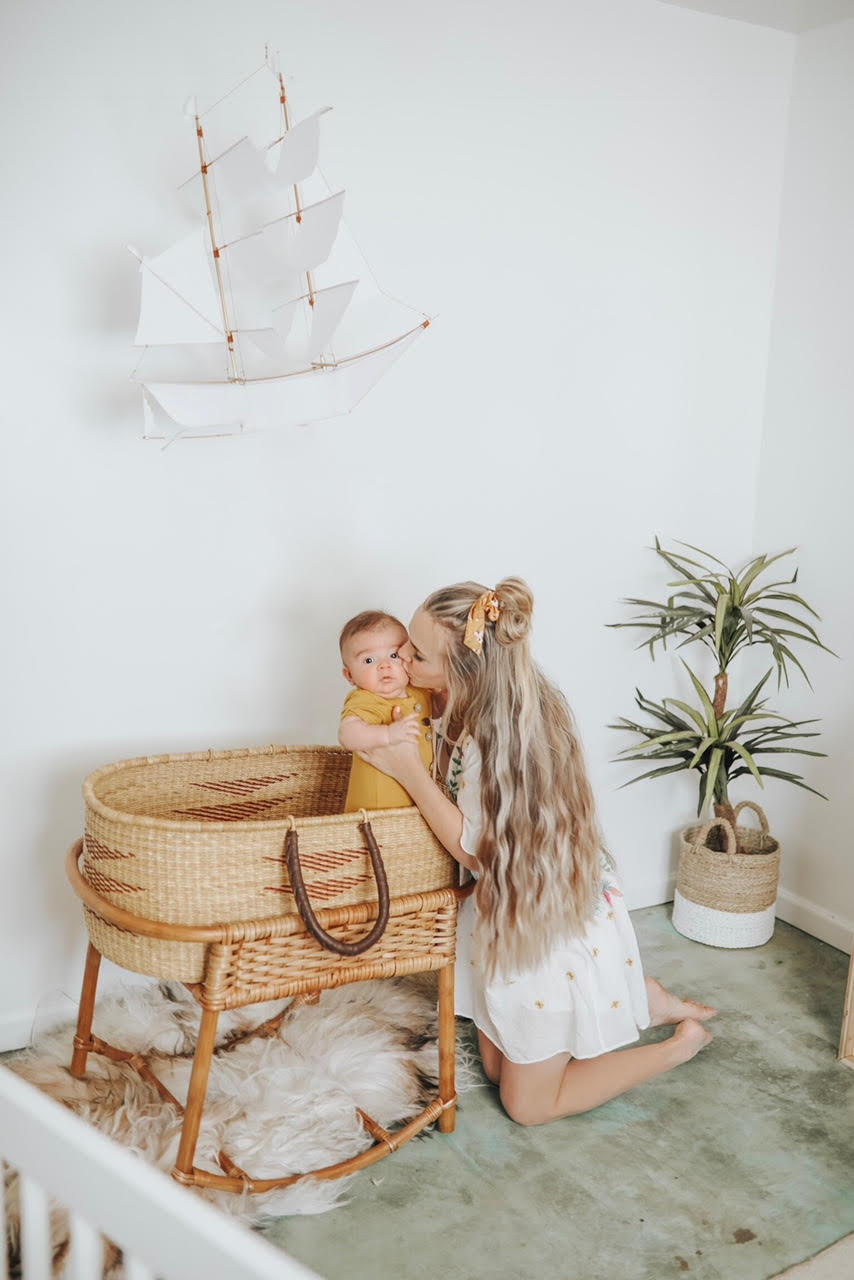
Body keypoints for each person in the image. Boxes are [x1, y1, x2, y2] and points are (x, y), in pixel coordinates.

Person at [355, 578, 716, 1126]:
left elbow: (477, 853)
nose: (401, 658)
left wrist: (408, 771)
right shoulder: (459, 697)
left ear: (464, 669)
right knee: (496, 1067)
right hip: (504, 905)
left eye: (416, 654)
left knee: (526, 1105)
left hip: (545, 923)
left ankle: (679, 1044)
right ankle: (637, 997)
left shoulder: (500, 737)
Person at [338, 610, 433, 812]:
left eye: (393, 655)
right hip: (373, 812)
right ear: (350, 675)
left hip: (419, 807)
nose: (385, 666)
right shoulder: (365, 699)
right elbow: (348, 735)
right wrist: (388, 734)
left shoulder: (421, 691)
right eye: (369, 660)